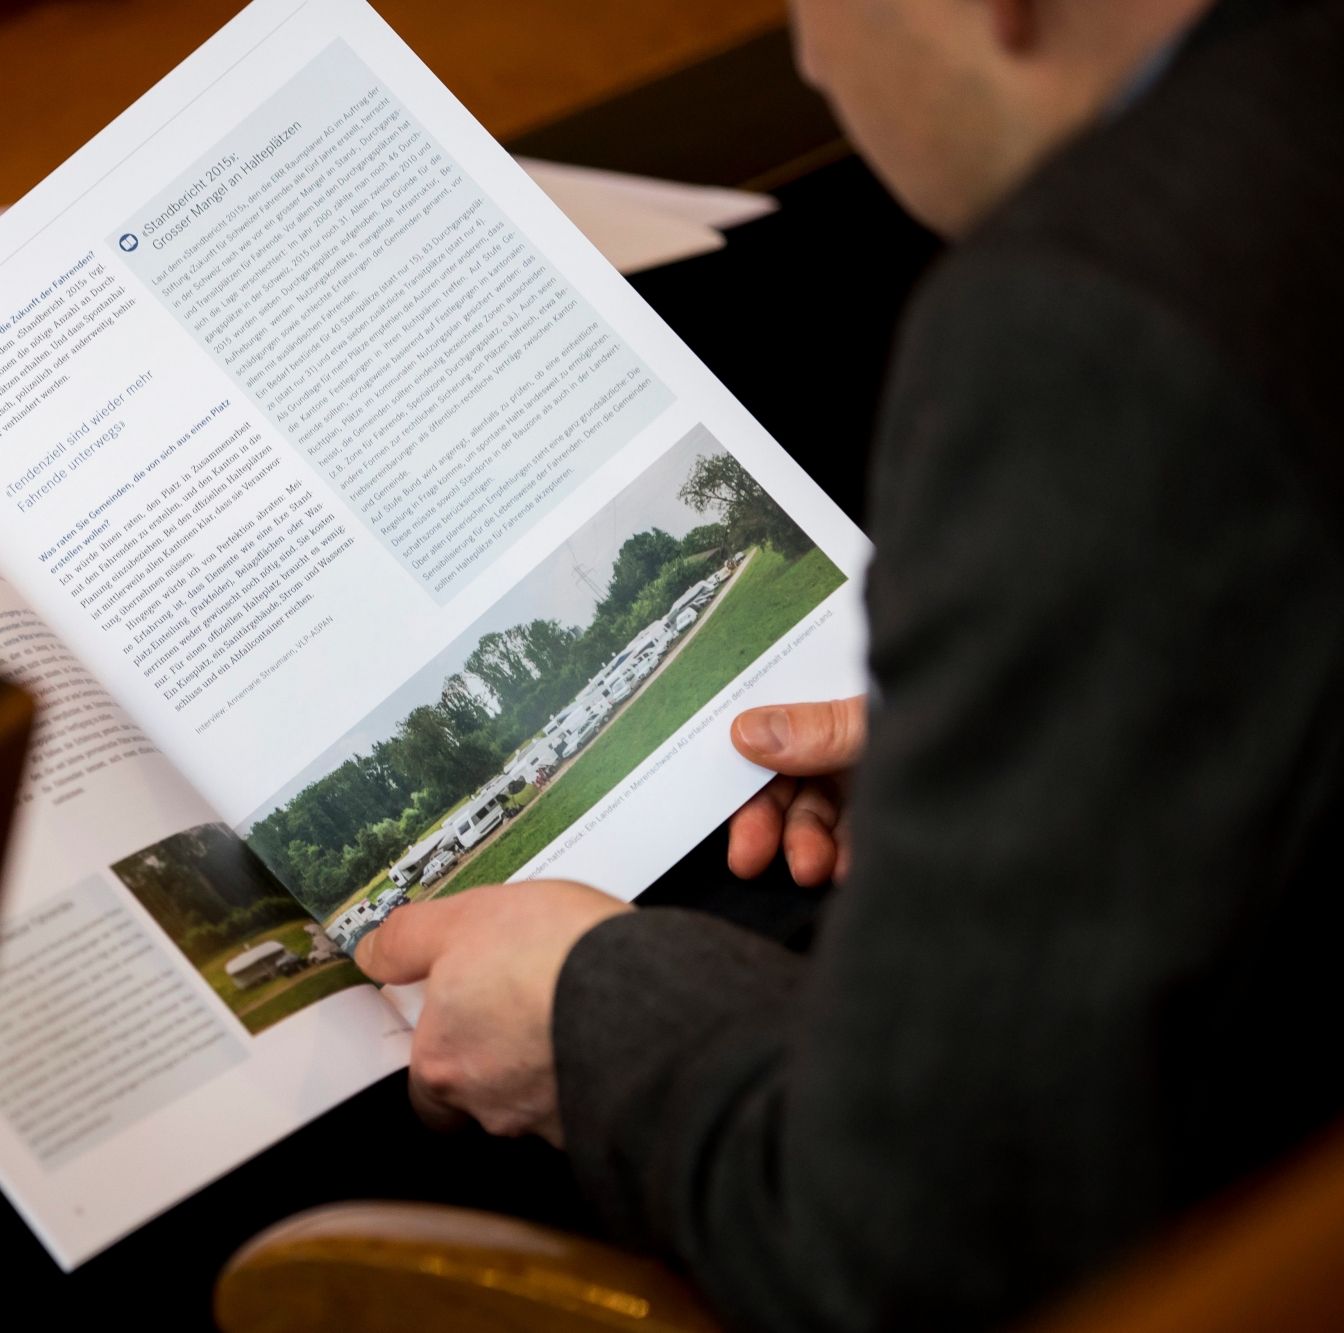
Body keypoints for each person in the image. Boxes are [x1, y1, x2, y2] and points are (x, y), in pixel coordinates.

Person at [353, 0, 1344, 1328]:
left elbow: (911, 1251)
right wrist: (1026, 730)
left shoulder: (1086, 323)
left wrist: (585, 1008)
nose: (812, 59)